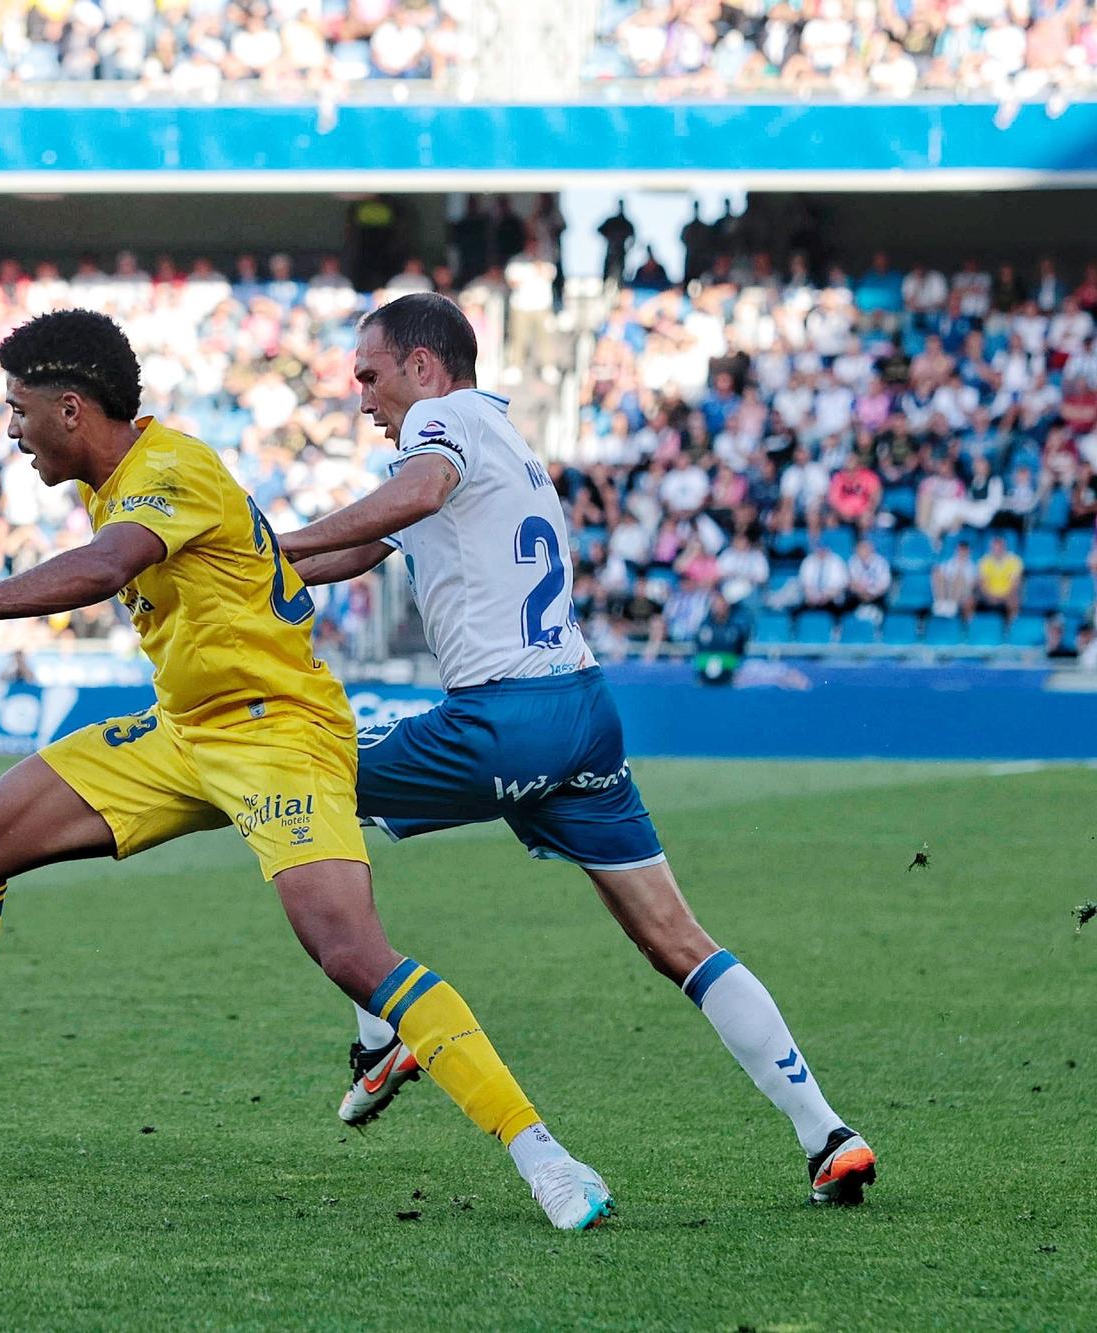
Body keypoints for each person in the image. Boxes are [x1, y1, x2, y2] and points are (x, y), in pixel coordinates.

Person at [0, 310, 616, 1231]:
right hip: (186, 729)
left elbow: (107, 568)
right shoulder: (115, 474)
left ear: (70, 408)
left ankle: (544, 1153)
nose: (10, 430)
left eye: (18, 411)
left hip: (279, 733)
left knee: (349, 951)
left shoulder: (168, 469)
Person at [280, 293, 877, 1208]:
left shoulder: (439, 429)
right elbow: (357, 550)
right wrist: (252, 566)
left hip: (503, 715)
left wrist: (274, 540)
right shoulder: (500, 440)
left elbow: (414, 494)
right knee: (675, 937)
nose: (361, 397)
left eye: (369, 374)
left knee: (300, 772)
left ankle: (379, 1027)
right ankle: (827, 1132)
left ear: (424, 366)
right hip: (583, 711)